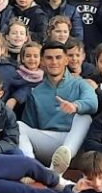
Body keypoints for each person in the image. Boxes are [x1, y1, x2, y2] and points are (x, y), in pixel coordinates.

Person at [17, 42, 96, 170]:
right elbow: (30, 126)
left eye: (58, 57)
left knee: (85, 117)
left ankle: (59, 163)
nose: (54, 62)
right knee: (18, 126)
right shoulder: (36, 92)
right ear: (42, 61)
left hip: (74, 142)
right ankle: (30, 167)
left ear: (66, 60)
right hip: (48, 141)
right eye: (49, 58)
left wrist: (75, 106)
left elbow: (93, 103)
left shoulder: (80, 84)